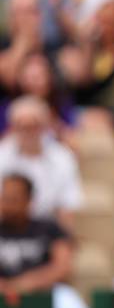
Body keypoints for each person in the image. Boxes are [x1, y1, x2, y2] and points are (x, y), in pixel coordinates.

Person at [0, 173, 91, 308]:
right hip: (3, 295)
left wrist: (27, 283)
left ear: (29, 200)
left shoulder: (48, 228)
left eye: (14, 200)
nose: (7, 205)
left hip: (46, 293)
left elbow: (62, 267)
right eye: (5, 199)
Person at [0, 96, 82, 231]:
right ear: (12, 127)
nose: (28, 132)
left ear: (45, 126)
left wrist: (64, 241)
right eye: (22, 126)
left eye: (34, 126)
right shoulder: (1, 155)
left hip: (46, 232)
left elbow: (67, 209)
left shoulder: (63, 158)